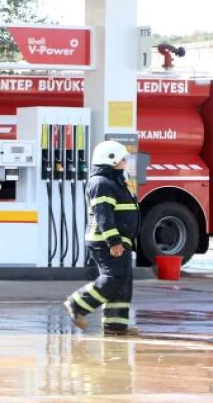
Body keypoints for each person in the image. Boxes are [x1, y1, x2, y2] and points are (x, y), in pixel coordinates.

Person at [64, 140, 140, 336]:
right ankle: (77, 304)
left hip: (120, 240)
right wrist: (114, 241)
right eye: (123, 159)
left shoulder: (115, 182)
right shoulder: (101, 183)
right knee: (114, 278)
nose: (125, 162)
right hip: (106, 241)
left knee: (123, 282)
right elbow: (103, 216)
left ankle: (115, 326)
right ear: (112, 160)